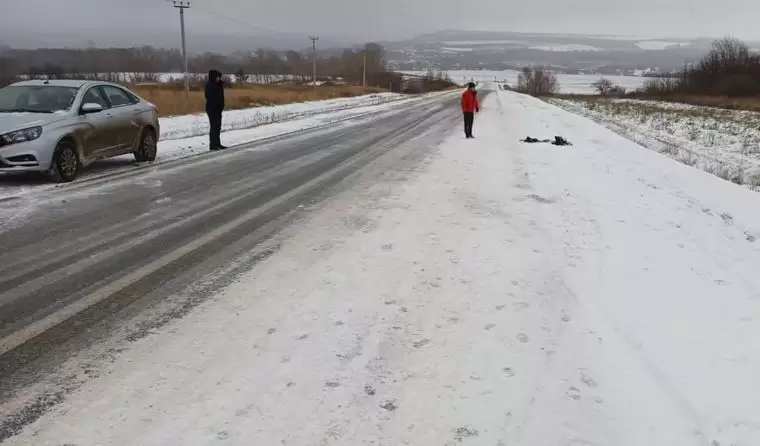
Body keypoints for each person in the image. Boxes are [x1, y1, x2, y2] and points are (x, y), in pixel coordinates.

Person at [205, 69, 227, 151]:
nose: (219, 78)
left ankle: (218, 143)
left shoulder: (218, 85)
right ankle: (213, 145)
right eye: (217, 77)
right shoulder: (210, 85)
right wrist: (216, 106)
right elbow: (210, 97)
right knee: (214, 127)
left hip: (218, 109)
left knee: (218, 127)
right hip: (212, 109)